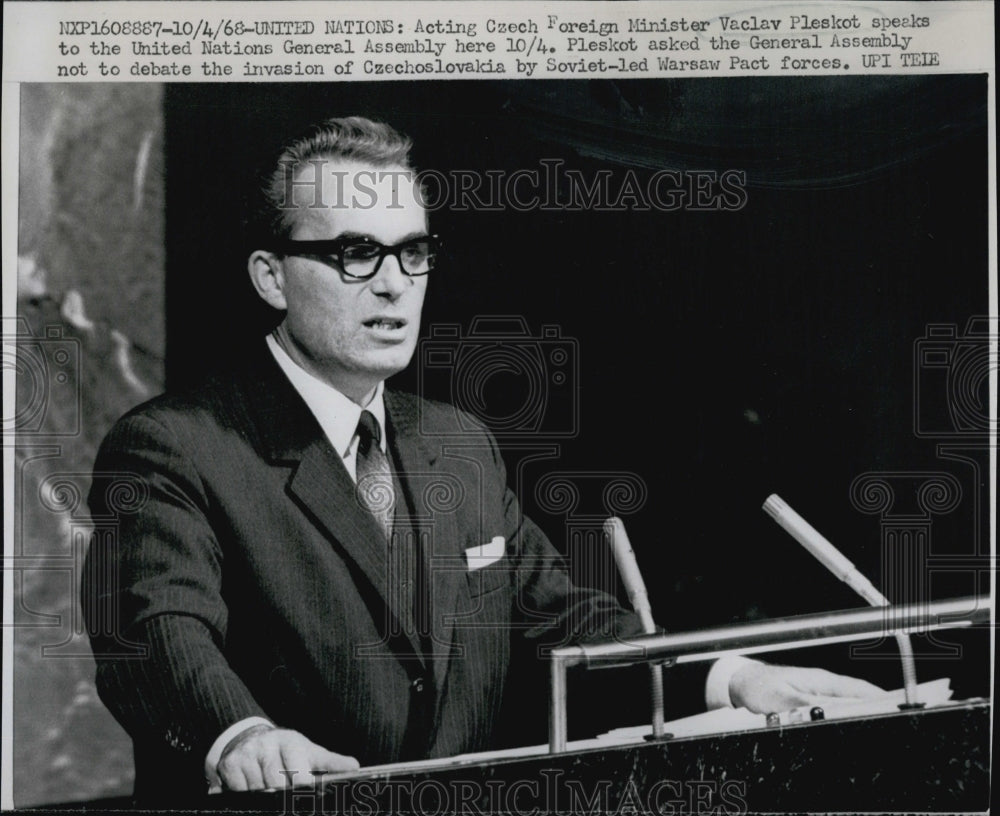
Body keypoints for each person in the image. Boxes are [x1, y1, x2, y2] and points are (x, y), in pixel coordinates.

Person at [83, 116, 885, 802]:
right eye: (356, 253)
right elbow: (154, 630)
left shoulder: (457, 444)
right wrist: (240, 735)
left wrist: (730, 678)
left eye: (414, 252)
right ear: (271, 276)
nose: (395, 286)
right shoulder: (172, 446)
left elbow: (559, 621)